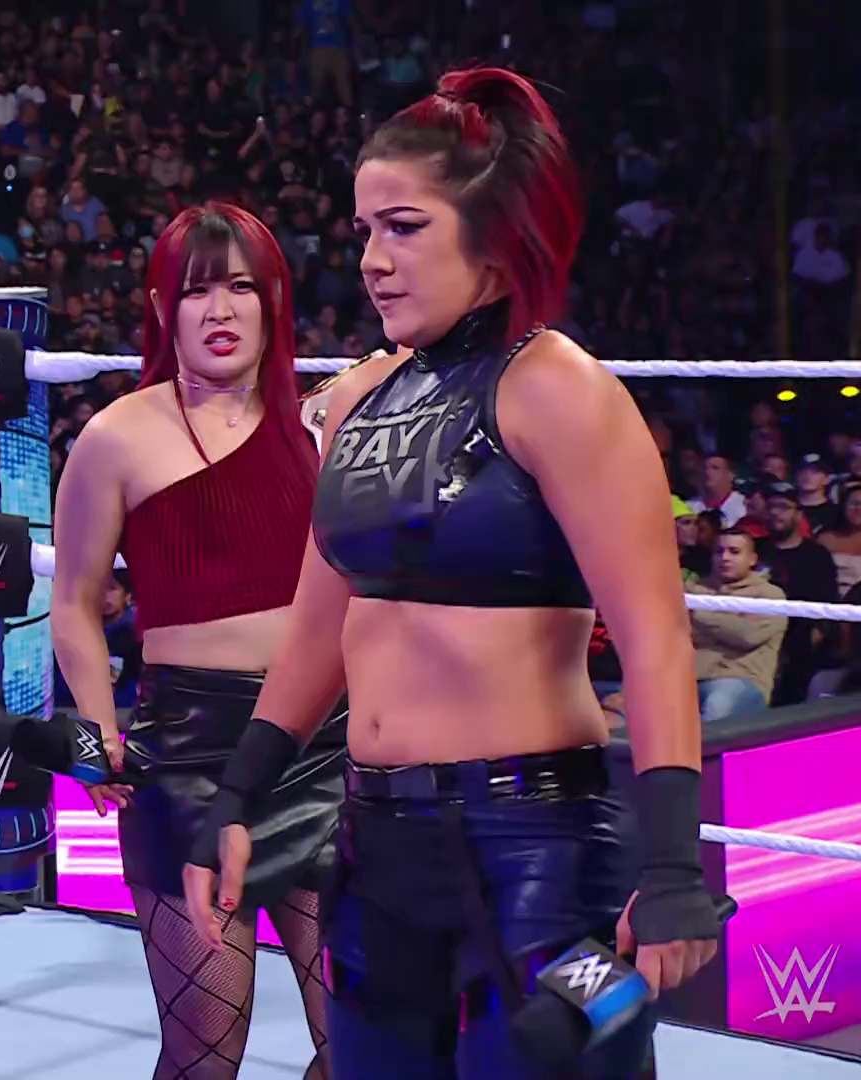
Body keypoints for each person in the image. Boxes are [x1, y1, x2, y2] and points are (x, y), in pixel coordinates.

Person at [183, 68, 723, 1079]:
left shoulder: (559, 388)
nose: (372, 260)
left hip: (535, 846)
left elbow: (655, 637)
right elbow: (321, 627)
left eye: (404, 227)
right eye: (363, 231)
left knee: (560, 1058)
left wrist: (670, 866)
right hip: (376, 842)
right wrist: (238, 792)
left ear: (494, 233)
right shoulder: (358, 399)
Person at [52, 202, 345, 1079]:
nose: (220, 310)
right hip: (187, 755)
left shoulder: (319, 427)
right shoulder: (118, 435)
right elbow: (73, 602)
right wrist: (97, 734)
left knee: (365, 1040)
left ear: (274, 301)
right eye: (196, 291)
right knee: (205, 1053)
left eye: (241, 288)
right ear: (161, 308)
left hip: (320, 746)